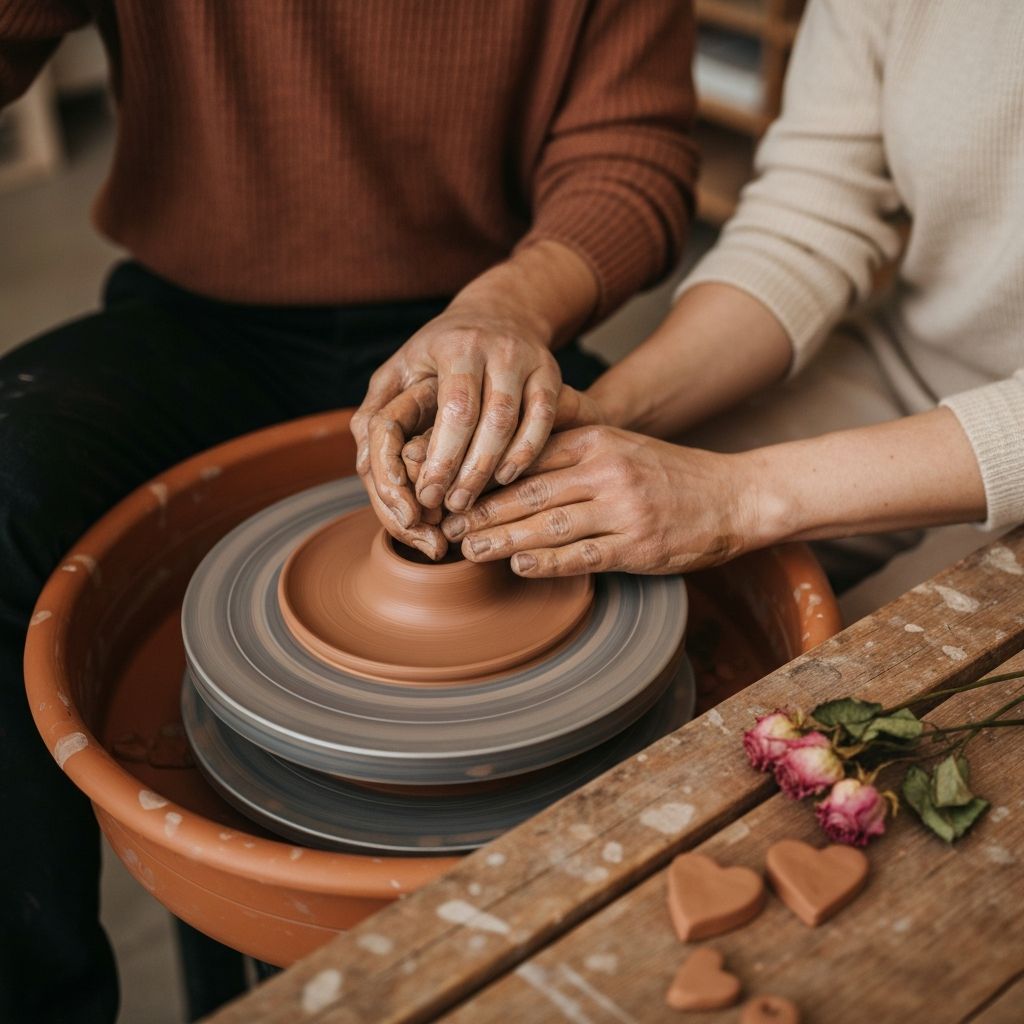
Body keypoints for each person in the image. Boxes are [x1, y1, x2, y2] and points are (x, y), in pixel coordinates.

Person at [0, 3, 698, 1020]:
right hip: (200, 318)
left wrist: (508, 307)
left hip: (488, 327)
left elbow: (629, 155)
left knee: (675, 541)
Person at [435, 0, 1024, 590]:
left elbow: (738, 497)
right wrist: (606, 412)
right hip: (909, 364)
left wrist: (741, 497)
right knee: (608, 533)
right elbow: (809, 220)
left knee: (858, 664)